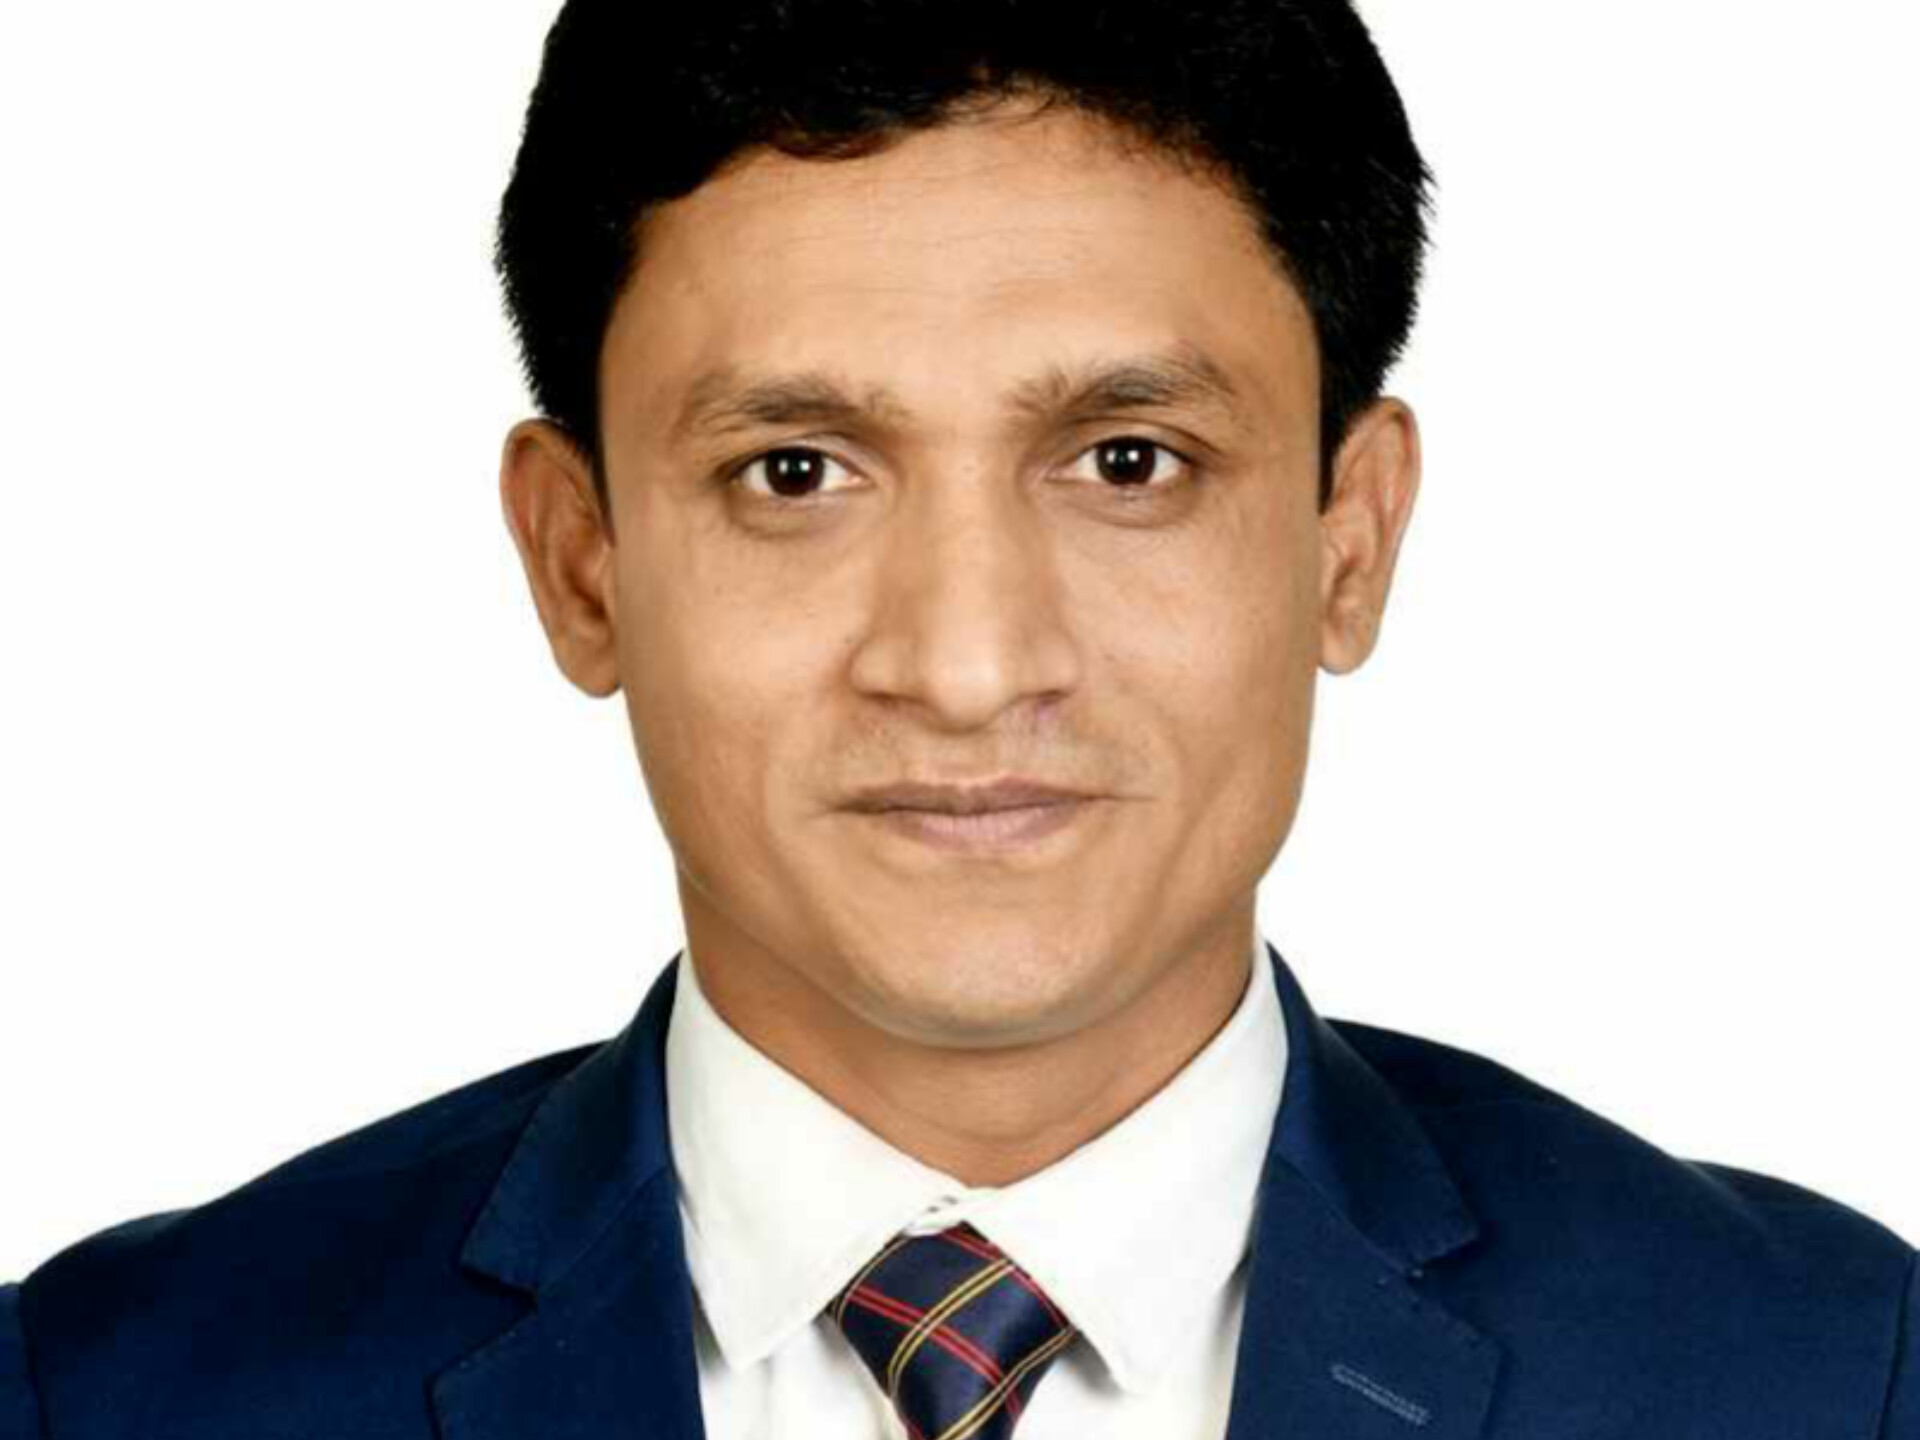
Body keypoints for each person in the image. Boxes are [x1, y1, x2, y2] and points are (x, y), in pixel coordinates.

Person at [3, 0, 1914, 1434]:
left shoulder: (1827, 1377)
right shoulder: (109, 1391)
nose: (971, 662)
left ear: (1350, 542)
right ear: (581, 564)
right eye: (796, 474)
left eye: (1129, 459)